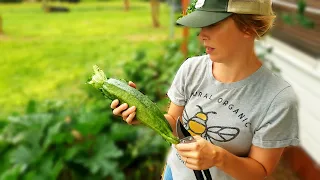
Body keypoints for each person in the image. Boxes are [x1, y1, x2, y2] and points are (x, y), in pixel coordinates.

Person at [111, 0, 300, 179]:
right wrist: (143, 114)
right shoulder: (191, 69)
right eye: (201, 25)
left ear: (248, 27)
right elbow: (173, 123)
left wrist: (219, 157)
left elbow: (260, 171)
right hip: (174, 174)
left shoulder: (277, 99)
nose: (201, 35)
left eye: (212, 24)